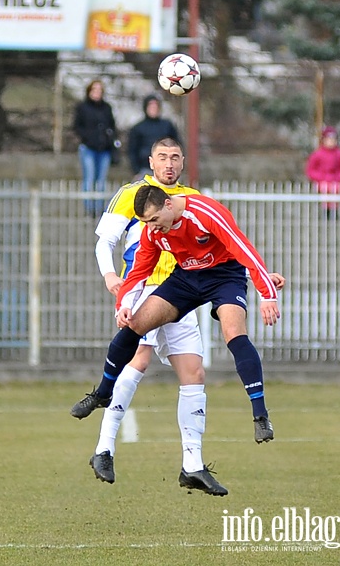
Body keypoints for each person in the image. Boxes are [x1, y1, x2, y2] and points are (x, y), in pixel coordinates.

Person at [72, 179, 286, 494]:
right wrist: (123, 305)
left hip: (224, 277)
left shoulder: (204, 210)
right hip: (184, 280)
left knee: (228, 337)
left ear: (169, 204)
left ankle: (259, 416)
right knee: (135, 330)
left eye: (155, 220)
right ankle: (103, 399)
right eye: (147, 223)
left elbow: (244, 249)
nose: (152, 228)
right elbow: (138, 272)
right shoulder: (149, 225)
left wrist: (266, 291)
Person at [71, 137, 227, 496]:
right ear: (151, 161)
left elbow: (217, 248)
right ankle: (104, 448)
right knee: (138, 360)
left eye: (175, 157)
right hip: (143, 291)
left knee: (194, 372)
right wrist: (111, 276)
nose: (168, 163)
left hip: (180, 293)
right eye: (162, 157)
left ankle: (192, 465)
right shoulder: (133, 193)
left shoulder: (190, 197)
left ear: (183, 162)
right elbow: (104, 240)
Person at [73, 80, 117, 217]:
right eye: (94, 90)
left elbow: (112, 125)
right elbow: (77, 126)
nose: (97, 93)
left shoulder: (106, 108)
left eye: (99, 90)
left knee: (101, 180)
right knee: (89, 178)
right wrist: (87, 137)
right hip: (88, 148)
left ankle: (99, 209)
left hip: (104, 149)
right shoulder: (82, 107)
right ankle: (89, 209)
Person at [128, 94, 181, 179]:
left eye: (155, 106)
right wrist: (136, 170)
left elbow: (177, 144)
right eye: (151, 106)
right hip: (144, 169)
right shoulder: (138, 128)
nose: (153, 109)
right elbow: (132, 150)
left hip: (166, 169)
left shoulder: (167, 126)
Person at [305, 126, 340, 218]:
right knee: (324, 189)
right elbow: (310, 170)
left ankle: (334, 210)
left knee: (335, 189)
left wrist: (338, 178)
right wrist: (321, 177)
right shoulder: (317, 154)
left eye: (333, 139)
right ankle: (325, 210)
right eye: (329, 139)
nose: (331, 142)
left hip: (335, 181)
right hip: (322, 181)